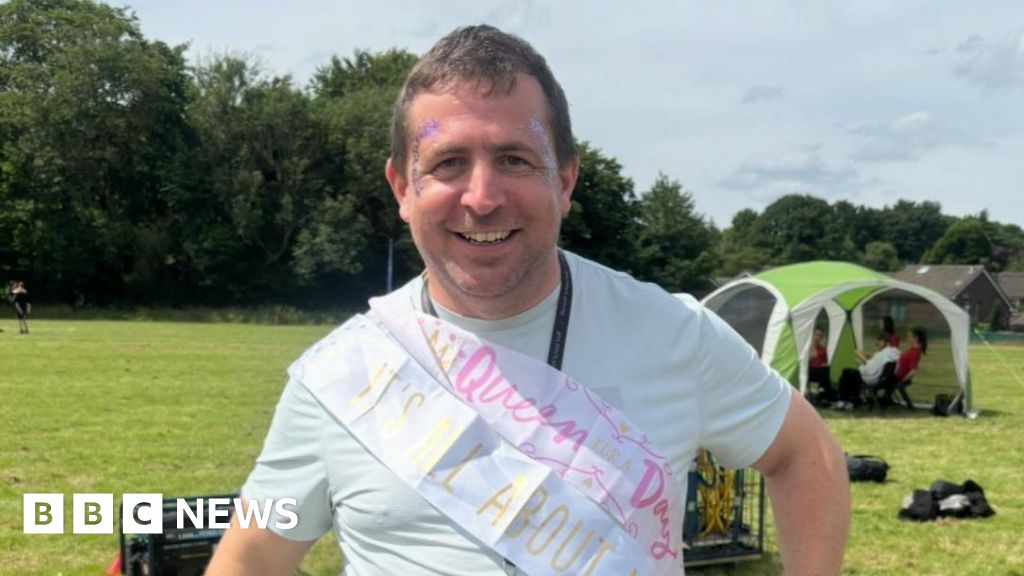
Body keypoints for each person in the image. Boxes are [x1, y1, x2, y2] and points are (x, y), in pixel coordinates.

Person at [208, 25, 849, 576]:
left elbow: (806, 454)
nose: (482, 197)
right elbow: (252, 551)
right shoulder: (339, 377)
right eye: (448, 162)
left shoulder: (673, 332)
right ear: (402, 186)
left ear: (564, 180)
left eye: (514, 159)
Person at [836, 332, 900, 408]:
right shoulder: (894, 353)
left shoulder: (881, 355)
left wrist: (861, 359)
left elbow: (870, 370)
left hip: (873, 380)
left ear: (883, 342)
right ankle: (850, 400)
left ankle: (844, 400)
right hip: (884, 379)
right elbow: (876, 364)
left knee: (847, 373)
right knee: (850, 374)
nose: (876, 345)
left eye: (878, 343)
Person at [808, 328, 837, 404]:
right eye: (816, 334)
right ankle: (819, 395)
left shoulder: (822, 349)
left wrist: (825, 364)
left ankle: (825, 395)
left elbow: (825, 361)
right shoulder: (808, 347)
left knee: (825, 370)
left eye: (820, 335)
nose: (817, 337)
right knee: (818, 373)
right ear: (812, 335)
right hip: (811, 370)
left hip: (821, 370)